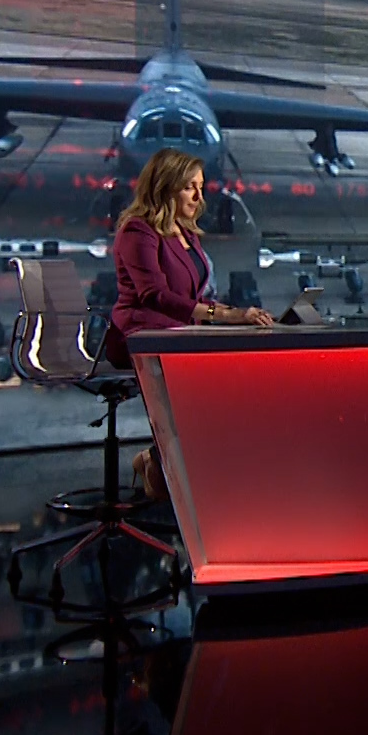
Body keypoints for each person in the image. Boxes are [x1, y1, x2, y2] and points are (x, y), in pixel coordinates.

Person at [108, 148, 273, 496]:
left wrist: (235, 315)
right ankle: (168, 467)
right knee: (208, 391)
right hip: (142, 335)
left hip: (180, 333)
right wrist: (224, 316)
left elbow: (192, 297)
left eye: (200, 186)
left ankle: (161, 462)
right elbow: (155, 295)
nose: (199, 197)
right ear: (165, 187)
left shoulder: (186, 234)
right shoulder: (138, 231)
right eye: (189, 187)